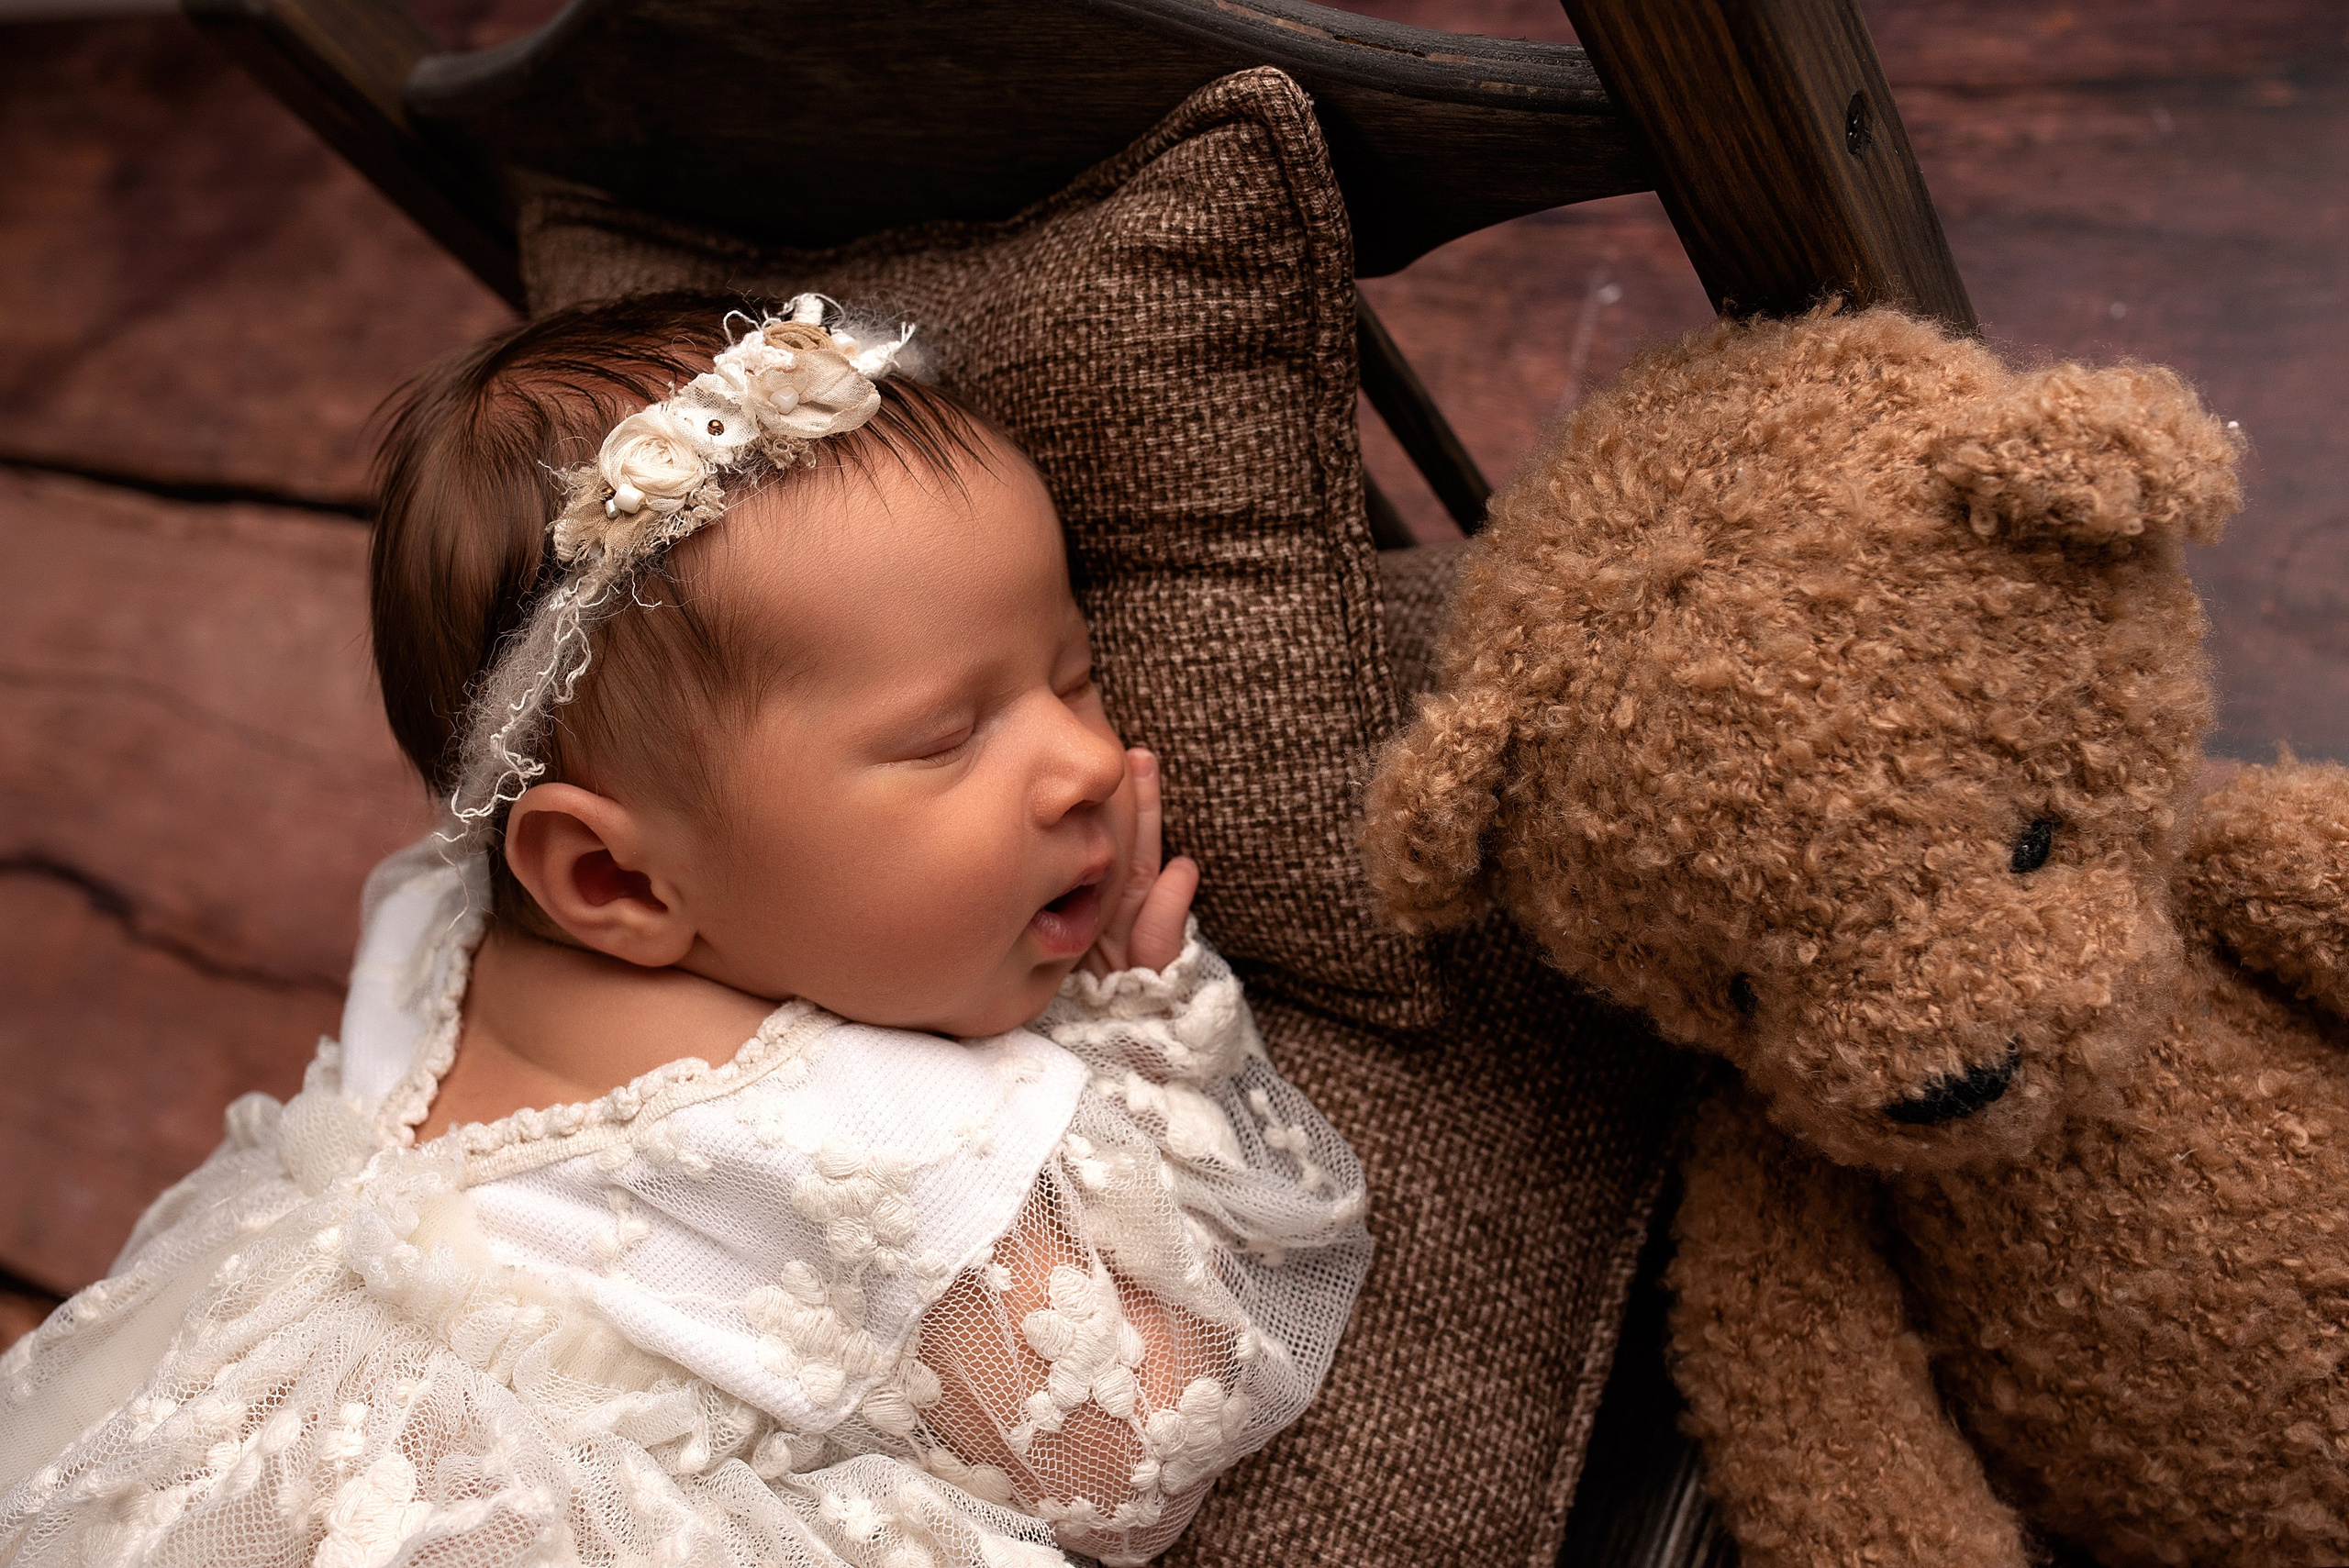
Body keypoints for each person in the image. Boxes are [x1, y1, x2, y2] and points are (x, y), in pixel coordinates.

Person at [0, 293, 1370, 1568]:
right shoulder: (841, 1131)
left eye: (1070, 669)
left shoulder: (427, 922)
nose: (1081, 759)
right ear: (613, 880)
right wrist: (1146, 1027)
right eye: (948, 736)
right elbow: (1130, 1441)